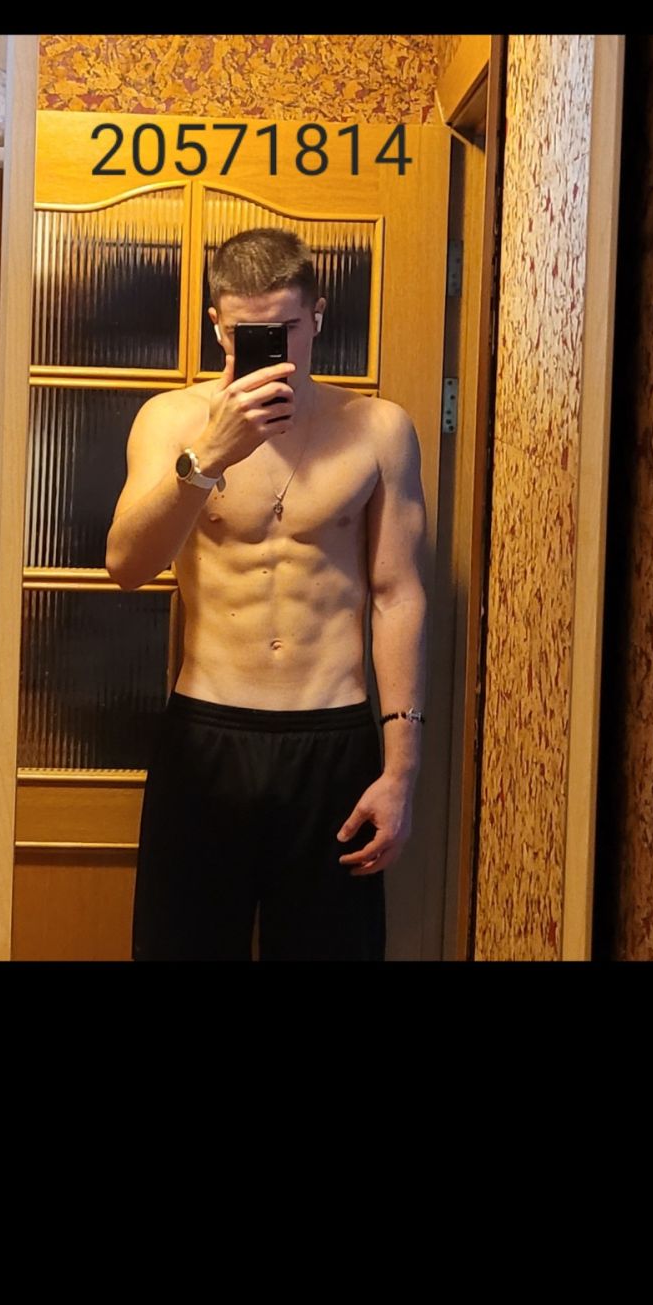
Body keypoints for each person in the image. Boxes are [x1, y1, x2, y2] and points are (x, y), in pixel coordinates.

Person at [105, 227, 428, 961]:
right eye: (246, 333)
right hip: (206, 736)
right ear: (217, 325)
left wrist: (401, 771)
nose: (270, 350)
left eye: (285, 329)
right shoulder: (171, 422)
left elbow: (399, 596)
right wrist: (208, 458)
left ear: (317, 316)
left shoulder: (379, 429)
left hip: (331, 738)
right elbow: (126, 566)